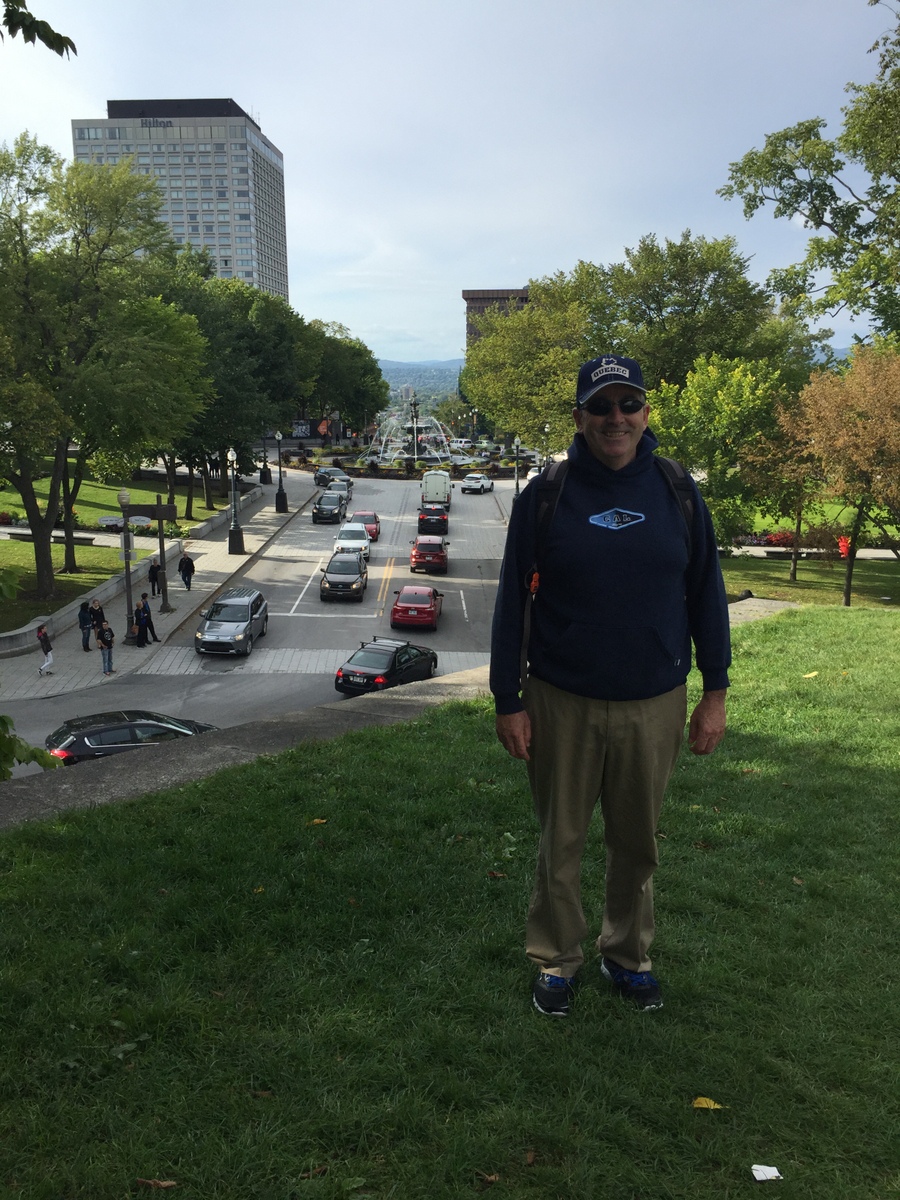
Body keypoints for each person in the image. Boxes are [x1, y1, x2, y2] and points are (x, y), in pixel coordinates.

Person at [490, 354, 731, 1018]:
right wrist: (508, 700)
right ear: (580, 417)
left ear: (646, 414)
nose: (615, 418)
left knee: (637, 842)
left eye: (628, 404)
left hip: (655, 701)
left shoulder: (678, 491)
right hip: (560, 699)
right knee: (560, 841)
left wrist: (714, 692)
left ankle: (627, 956)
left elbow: (706, 594)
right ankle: (557, 959)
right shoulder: (546, 495)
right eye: (601, 406)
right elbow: (511, 603)